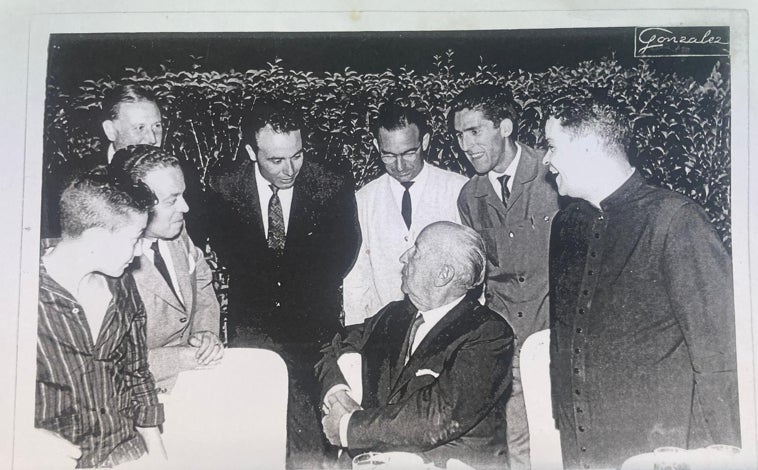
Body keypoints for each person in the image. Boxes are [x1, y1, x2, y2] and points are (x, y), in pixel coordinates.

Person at [544, 91, 740, 469]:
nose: (547, 159)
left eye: (553, 146)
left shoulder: (676, 219)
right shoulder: (565, 226)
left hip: (660, 450)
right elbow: (563, 344)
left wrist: (723, 454)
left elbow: (719, 357)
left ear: (587, 147)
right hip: (583, 447)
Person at [208, 100, 361, 468]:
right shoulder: (223, 187)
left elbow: (345, 249)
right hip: (251, 330)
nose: (289, 169)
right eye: (276, 160)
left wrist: (303, 291)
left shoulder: (331, 185)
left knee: (314, 437)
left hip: (313, 331)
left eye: (297, 155)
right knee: (256, 434)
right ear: (251, 152)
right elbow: (220, 245)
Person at [318, 221, 514, 469]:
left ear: (444, 275)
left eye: (416, 252)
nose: (403, 257)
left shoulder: (489, 334)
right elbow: (330, 345)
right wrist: (338, 391)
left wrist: (347, 426)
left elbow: (437, 417)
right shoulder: (393, 315)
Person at [451, 84, 560, 469]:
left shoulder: (552, 177)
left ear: (506, 127)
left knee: (561, 439)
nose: (466, 145)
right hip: (507, 342)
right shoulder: (469, 197)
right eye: (459, 135)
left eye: (474, 131)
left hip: (557, 336)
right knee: (517, 445)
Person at [36, 167, 166, 468]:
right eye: (134, 239)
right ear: (95, 237)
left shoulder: (121, 283)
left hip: (125, 453)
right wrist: (23, 435)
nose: (138, 254)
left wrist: (160, 458)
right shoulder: (21, 291)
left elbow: (137, 374)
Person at [109, 144, 222, 393]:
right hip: (138, 392)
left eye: (182, 195)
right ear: (135, 205)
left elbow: (201, 280)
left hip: (192, 376)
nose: (185, 207)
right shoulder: (112, 263)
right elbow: (111, 362)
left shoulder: (176, 231)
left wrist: (205, 333)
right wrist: (180, 358)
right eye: (172, 200)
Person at [343, 102, 467, 326]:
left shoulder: (458, 190)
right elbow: (356, 277)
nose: (399, 166)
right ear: (376, 145)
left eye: (409, 153)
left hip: (448, 329)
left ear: (425, 142)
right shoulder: (363, 200)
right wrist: (355, 335)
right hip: (383, 329)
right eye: (388, 155)